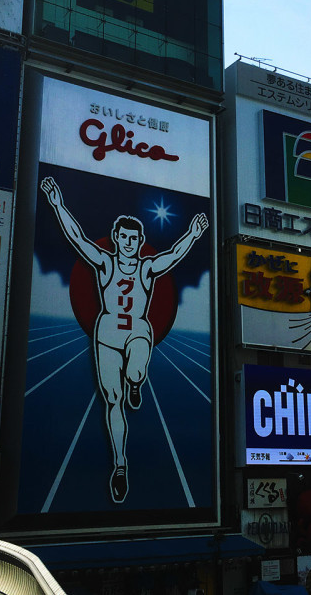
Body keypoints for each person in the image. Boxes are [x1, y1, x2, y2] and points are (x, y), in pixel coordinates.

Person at [40, 176, 208, 504]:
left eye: (134, 237)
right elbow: (77, 238)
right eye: (124, 237)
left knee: (135, 368)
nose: (129, 242)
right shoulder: (104, 264)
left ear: (139, 240)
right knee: (112, 402)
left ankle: (136, 381)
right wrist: (57, 203)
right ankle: (120, 464)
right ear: (116, 239)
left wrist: (194, 233)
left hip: (137, 332)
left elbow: (173, 256)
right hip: (106, 336)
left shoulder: (146, 269)